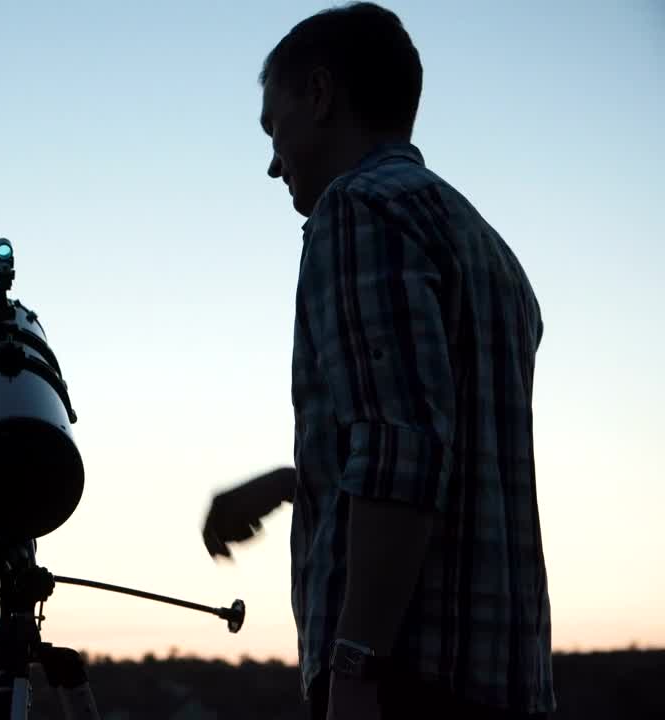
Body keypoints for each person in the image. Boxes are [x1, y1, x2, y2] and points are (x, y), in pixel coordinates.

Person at [201, 4, 555, 719]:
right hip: (508, 680)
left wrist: (355, 668)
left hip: (404, 684)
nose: (273, 164)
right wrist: (296, 481)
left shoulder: (356, 211)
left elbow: (405, 450)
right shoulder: (486, 248)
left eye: (275, 128)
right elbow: (447, 451)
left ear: (322, 95)